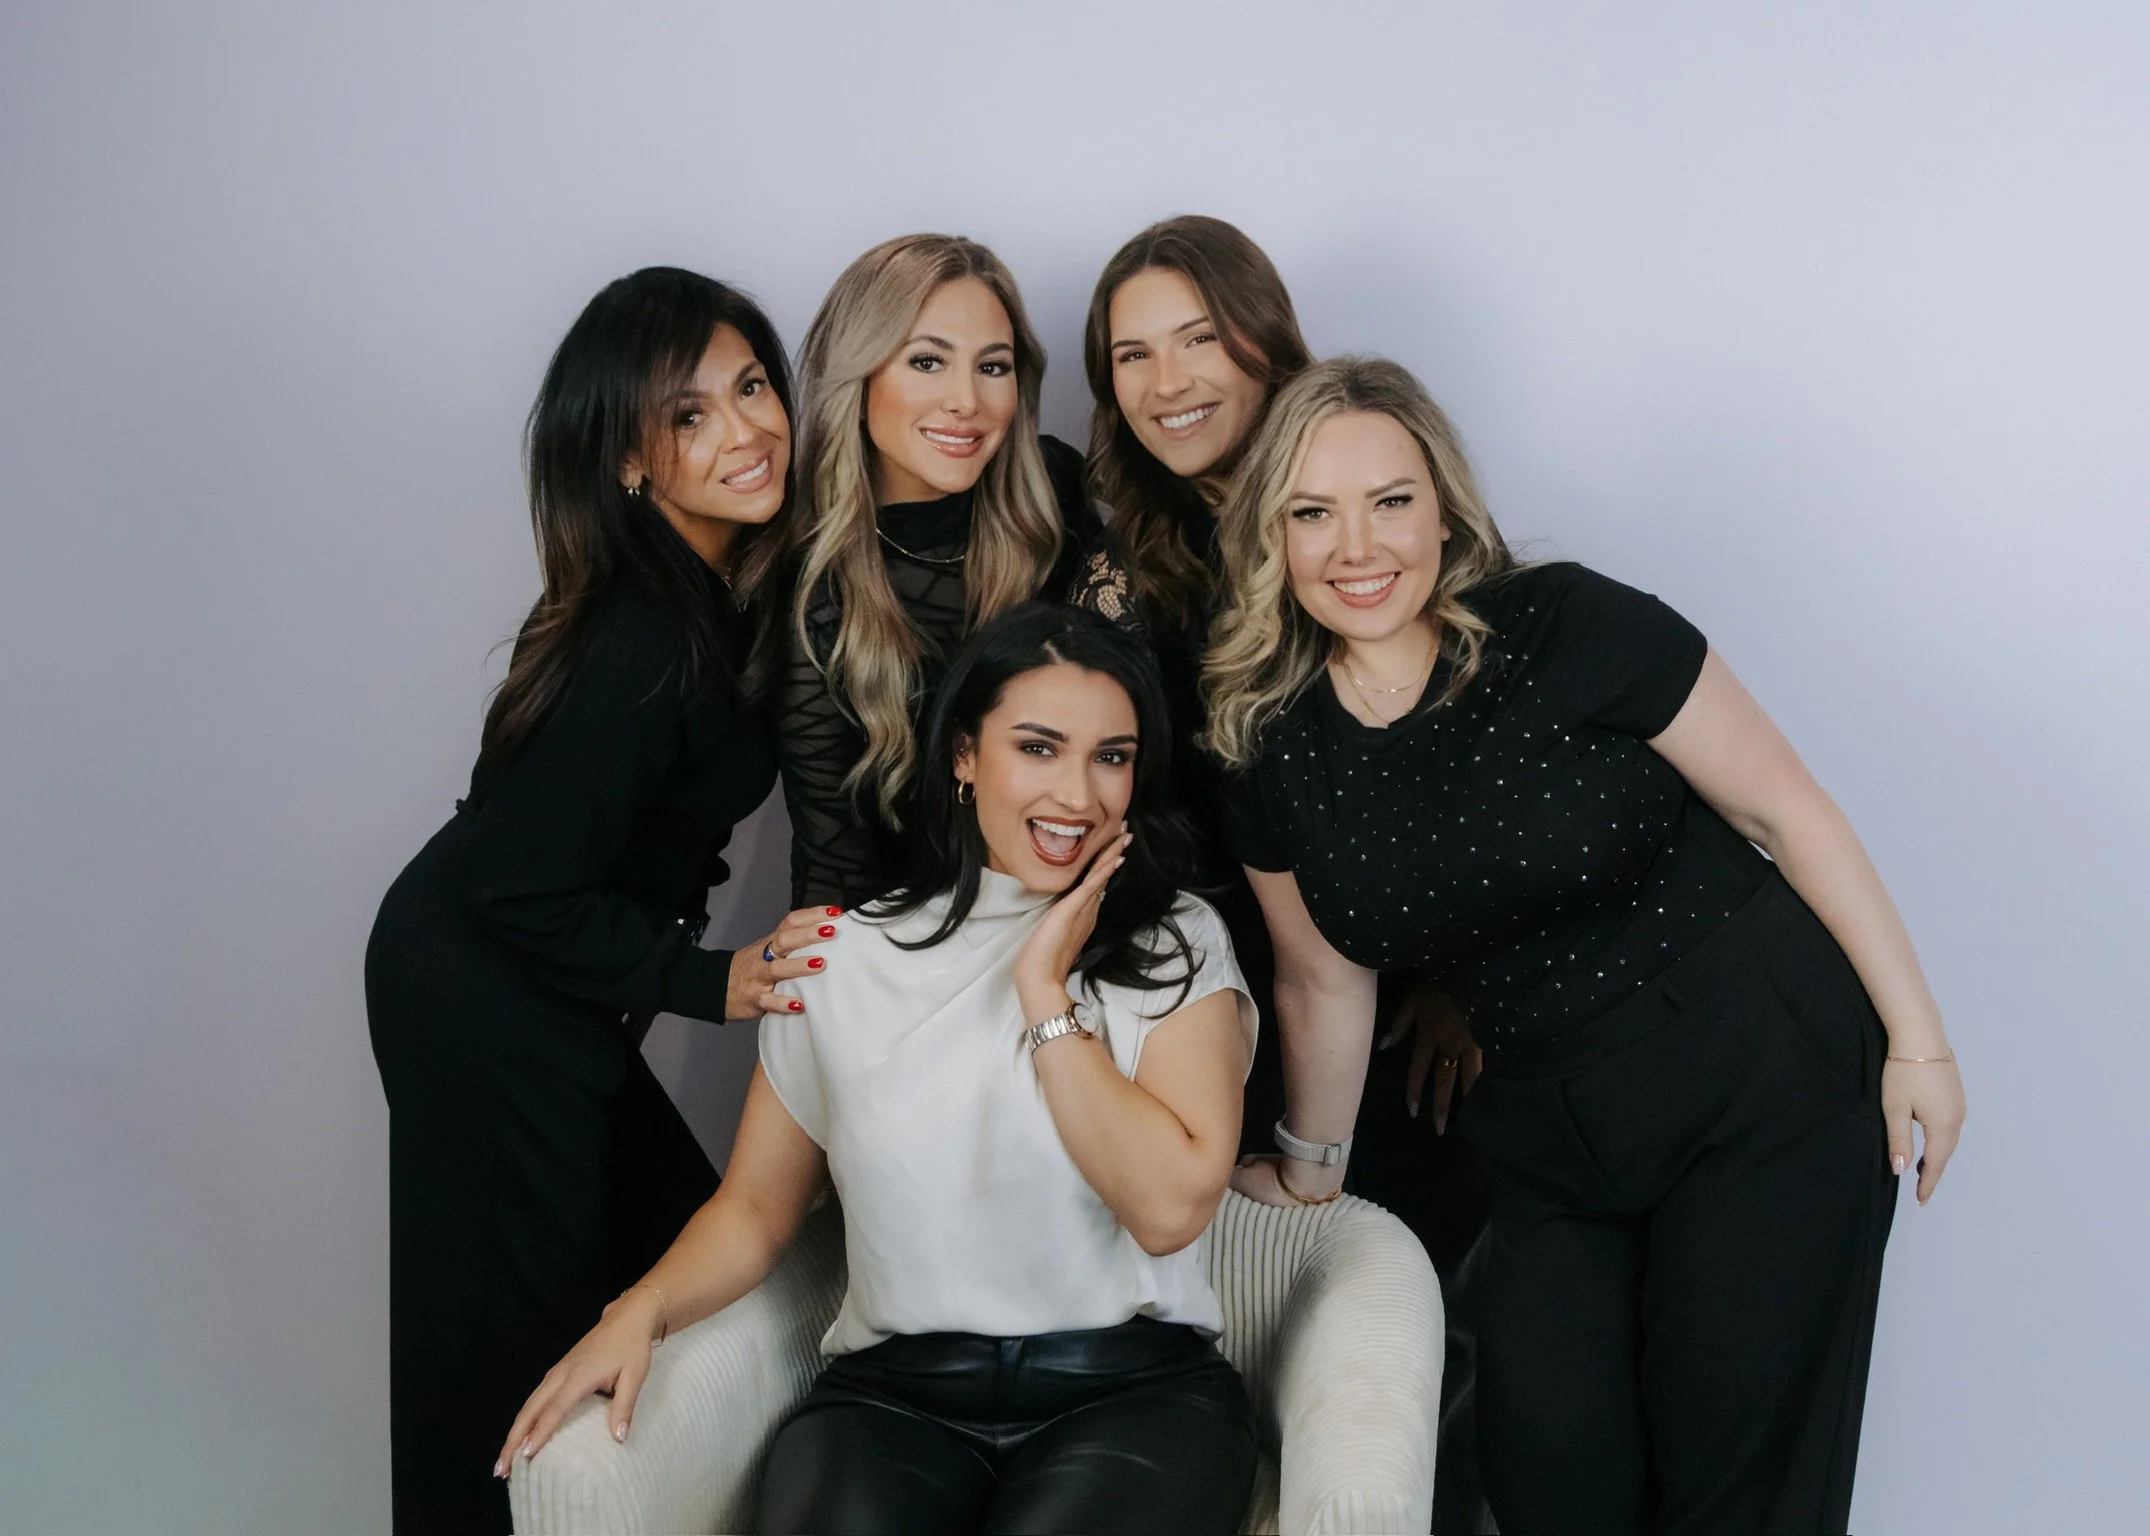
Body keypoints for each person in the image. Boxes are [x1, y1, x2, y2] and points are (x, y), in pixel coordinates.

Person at [1208, 356, 1967, 1535]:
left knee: (1736, 1488)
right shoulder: (1265, 740)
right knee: (1551, 1478)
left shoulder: (1564, 623)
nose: (1356, 546)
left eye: (1388, 501)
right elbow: (1321, 976)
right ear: (1272, 536)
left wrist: (1917, 1044)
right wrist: (1312, 1165)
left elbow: (1784, 811)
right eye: (1312, 513)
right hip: (1545, 1129)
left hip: (1752, 1063)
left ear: (1443, 508)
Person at [502, 604, 1260, 1535]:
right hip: (895, 1401)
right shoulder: (843, 959)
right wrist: (642, 1307)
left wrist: (1041, 988)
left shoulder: (1174, 941)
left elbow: (1168, 1208)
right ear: (964, 756)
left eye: (1112, 756)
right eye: (1038, 747)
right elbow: (754, 1208)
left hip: (1131, 1392)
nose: (1077, 794)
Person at [365, 268, 835, 1534]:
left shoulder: (706, 588)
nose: (744, 431)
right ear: (630, 459)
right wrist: (713, 980)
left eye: (750, 389)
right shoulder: (638, 634)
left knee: (670, 1266)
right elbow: (517, 884)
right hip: (485, 992)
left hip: (538, 984)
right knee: (501, 1351)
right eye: (690, 416)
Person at [1079, 216, 1497, 1531]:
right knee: (1244, 1337)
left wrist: (1463, 984)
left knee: (1420, 1353)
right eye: (1129, 354)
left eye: (1198, 337)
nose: (1167, 381)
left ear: (1265, 338)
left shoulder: (1368, 512)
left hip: (1396, 999)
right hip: (1227, 1009)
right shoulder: (1123, 566)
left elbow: (1480, 770)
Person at [776, 234, 1104, 909]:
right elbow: (835, 863)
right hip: (917, 949)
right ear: (859, 376)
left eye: (993, 366)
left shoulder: (1055, 495)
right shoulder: (815, 594)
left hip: (1090, 908)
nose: (966, 401)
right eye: (928, 361)